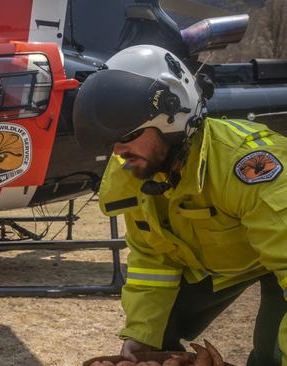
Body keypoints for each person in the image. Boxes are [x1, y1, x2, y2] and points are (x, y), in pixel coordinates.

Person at [72, 44, 287, 366]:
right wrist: (140, 336)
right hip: (220, 267)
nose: (118, 150)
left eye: (128, 135)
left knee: (273, 354)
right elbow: (152, 258)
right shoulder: (135, 170)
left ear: (174, 116)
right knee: (156, 341)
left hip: (279, 262)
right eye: (110, 141)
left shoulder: (249, 166)